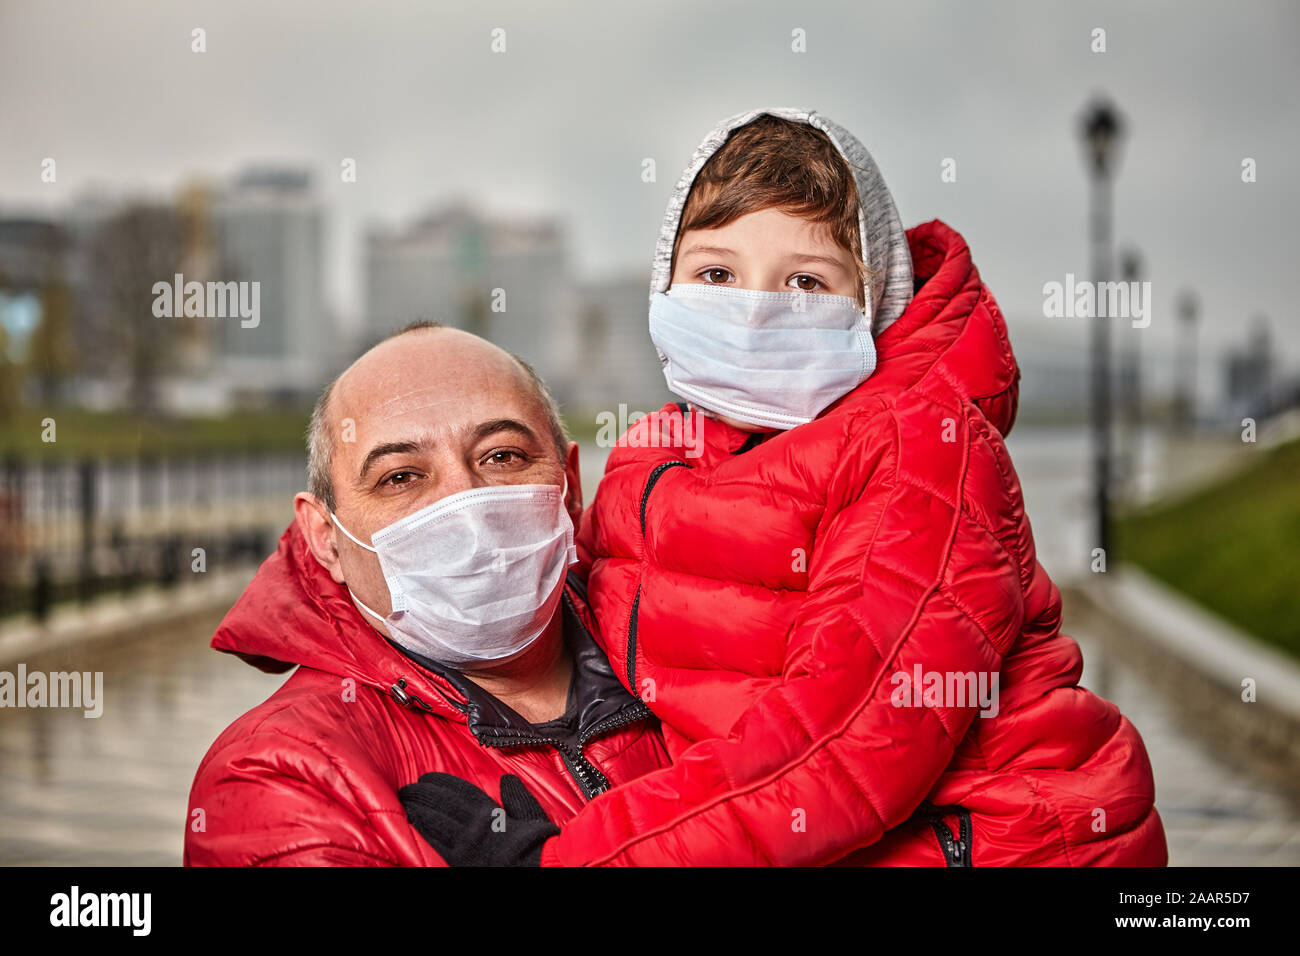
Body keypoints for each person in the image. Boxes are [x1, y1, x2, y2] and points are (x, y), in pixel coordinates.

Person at [400, 108, 1169, 866]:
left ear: (873, 305)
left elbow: (850, 743)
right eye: (716, 274)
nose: (755, 311)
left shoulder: (919, 451)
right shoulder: (650, 460)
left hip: (1002, 843)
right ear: (666, 283)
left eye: (805, 282)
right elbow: (561, 625)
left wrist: (577, 860)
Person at [184, 323, 670, 866]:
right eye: (401, 477)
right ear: (327, 539)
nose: (464, 505)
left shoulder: (696, 660)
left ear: (570, 486)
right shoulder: (283, 772)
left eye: (502, 456)